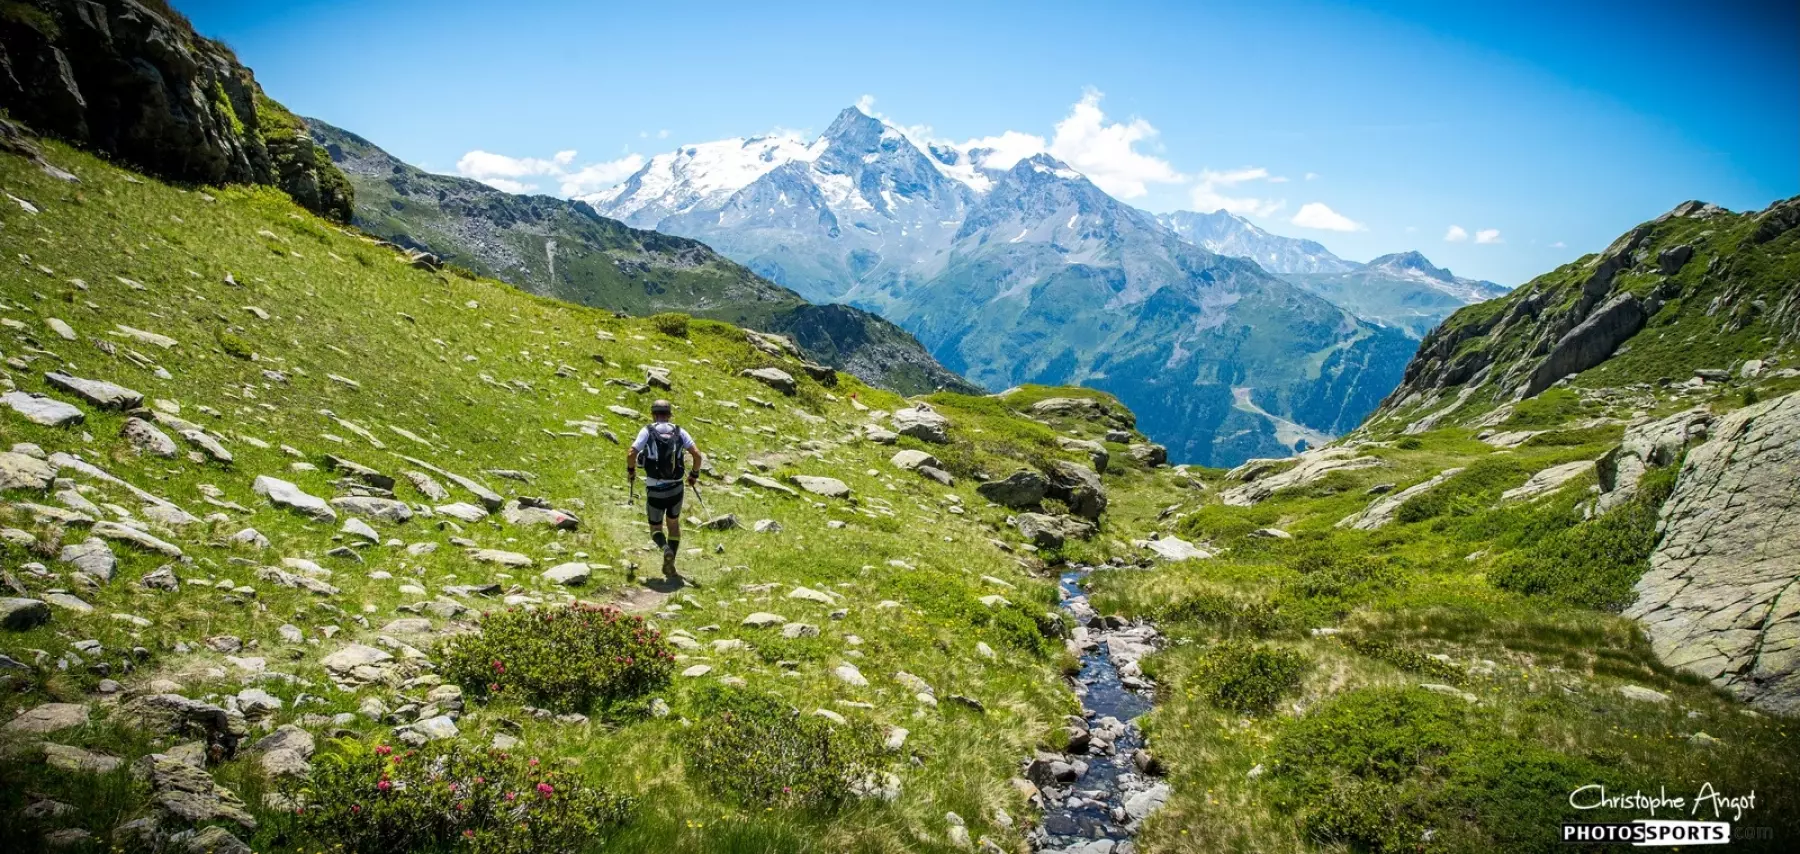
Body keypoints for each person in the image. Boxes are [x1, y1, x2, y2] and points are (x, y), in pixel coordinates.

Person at [626, 399, 702, 581]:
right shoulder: (679, 431)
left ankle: (664, 548)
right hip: (676, 488)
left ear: (653, 414)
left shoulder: (647, 430)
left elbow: (631, 453)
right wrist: (694, 475)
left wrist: (631, 471)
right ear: (669, 415)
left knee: (655, 529)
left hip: (655, 487)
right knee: (674, 525)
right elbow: (697, 455)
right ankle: (671, 564)